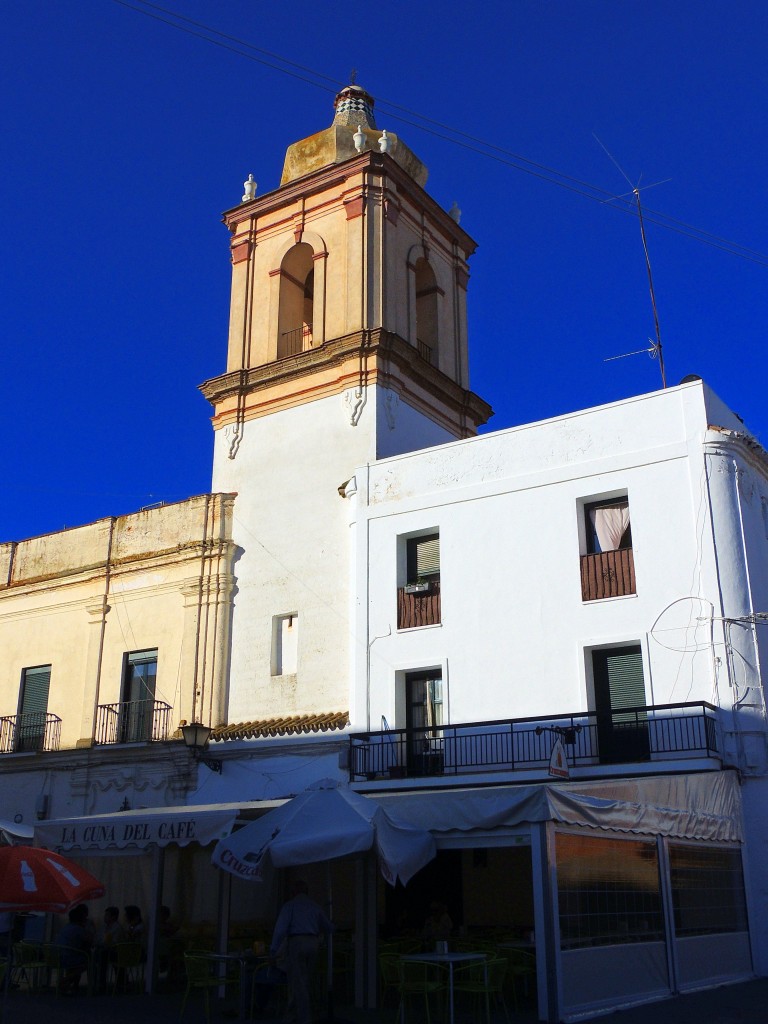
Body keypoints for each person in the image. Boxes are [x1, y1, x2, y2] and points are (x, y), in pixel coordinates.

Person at [270, 880, 332, 1024]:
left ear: (293, 892)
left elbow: (280, 930)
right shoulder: (314, 906)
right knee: (306, 979)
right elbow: (328, 926)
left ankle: (303, 1017)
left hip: (297, 942)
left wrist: (273, 950)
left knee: (298, 981)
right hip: (313, 943)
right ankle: (297, 1013)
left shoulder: (290, 906)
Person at [56, 903, 93, 995]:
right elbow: (90, 940)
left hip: (58, 956)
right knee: (88, 962)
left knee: (77, 959)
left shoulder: (66, 927)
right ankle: (66, 980)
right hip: (69, 957)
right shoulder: (79, 929)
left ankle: (69, 985)